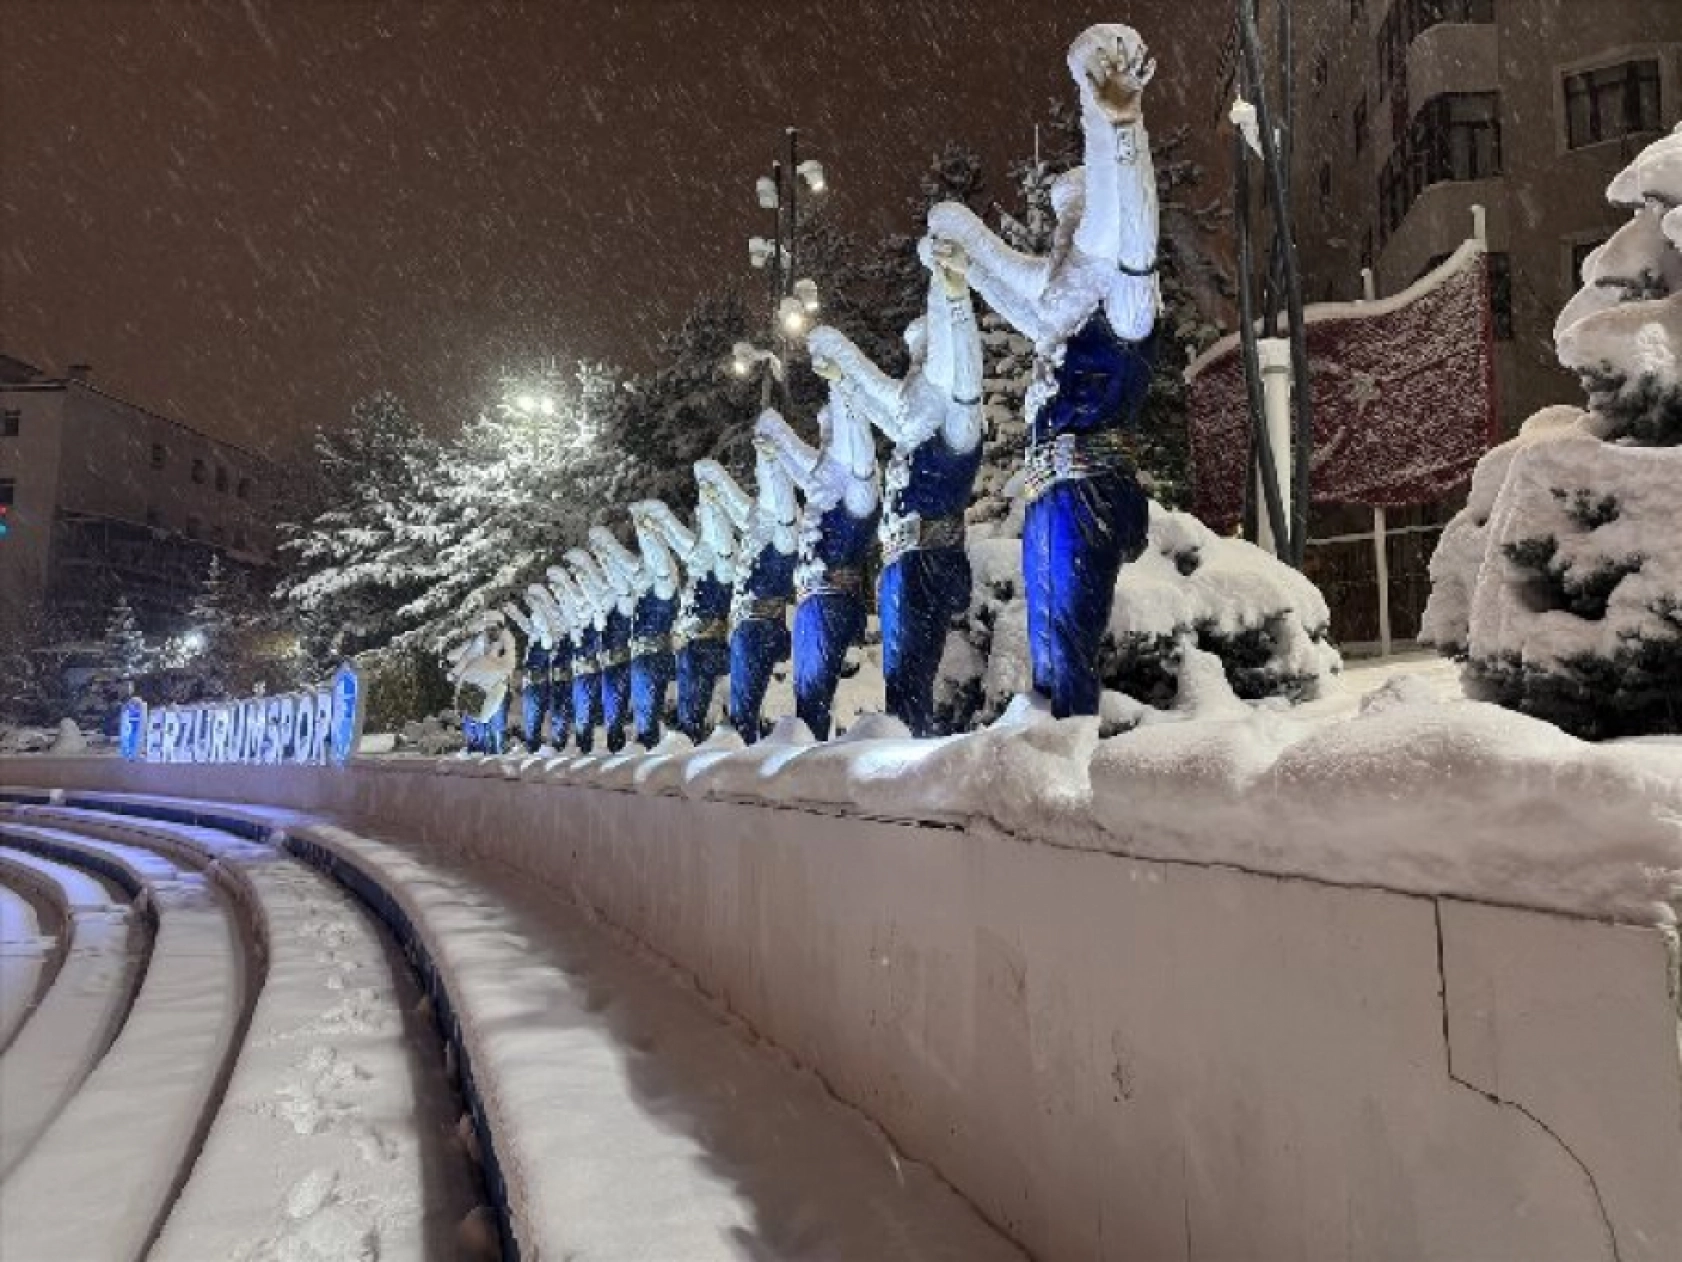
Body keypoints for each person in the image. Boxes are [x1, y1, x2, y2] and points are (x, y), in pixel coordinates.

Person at [928, 23, 1159, 718]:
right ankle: (1056, 740)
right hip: (1054, 491)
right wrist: (963, 261)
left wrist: (1119, 124)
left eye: (1073, 222)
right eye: (1060, 225)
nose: (1062, 237)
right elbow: (1015, 291)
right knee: (1050, 639)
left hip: (1090, 488)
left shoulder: (1123, 302)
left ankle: (1072, 748)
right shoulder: (1064, 314)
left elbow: (1135, 227)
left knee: (1066, 639)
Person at [806, 236, 983, 736]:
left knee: (911, 676)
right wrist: (841, 379)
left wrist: (955, 299)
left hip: (930, 559)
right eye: (914, 359)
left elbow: (966, 378)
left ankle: (913, 752)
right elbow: (878, 400)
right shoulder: (912, 426)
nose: (915, 368)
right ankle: (906, 747)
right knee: (900, 678)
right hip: (899, 564)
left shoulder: (956, 420)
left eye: (924, 355)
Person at [755, 397, 880, 741]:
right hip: (812, 600)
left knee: (817, 695)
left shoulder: (855, 486)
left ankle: (818, 754)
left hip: (832, 599)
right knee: (807, 695)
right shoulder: (824, 488)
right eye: (822, 436)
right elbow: (806, 471)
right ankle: (810, 752)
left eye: (830, 437)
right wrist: (776, 449)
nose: (823, 448)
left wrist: (776, 430)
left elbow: (816, 468)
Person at [714, 420, 799, 743]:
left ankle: (749, 750)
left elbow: (784, 512)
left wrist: (773, 458)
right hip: (743, 625)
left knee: (747, 709)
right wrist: (715, 482)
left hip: (761, 624)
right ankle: (745, 749)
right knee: (742, 707)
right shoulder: (755, 519)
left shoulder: (783, 525)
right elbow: (735, 502)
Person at [637, 479, 737, 742]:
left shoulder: (722, 560)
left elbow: (685, 543)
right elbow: (683, 545)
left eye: (702, 522)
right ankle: (689, 743)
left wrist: (661, 518)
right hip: (688, 647)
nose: (698, 529)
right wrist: (656, 525)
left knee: (696, 712)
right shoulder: (698, 568)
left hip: (708, 646)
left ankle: (696, 741)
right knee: (687, 713)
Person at [584, 531, 636, 754]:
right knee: (610, 713)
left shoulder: (623, 601)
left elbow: (618, 587)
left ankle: (619, 749)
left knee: (616, 712)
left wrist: (606, 554)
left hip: (620, 663)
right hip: (608, 665)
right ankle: (614, 748)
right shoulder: (605, 608)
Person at [558, 559, 607, 754]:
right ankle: (583, 748)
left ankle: (589, 749)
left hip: (590, 671)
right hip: (580, 672)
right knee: (581, 715)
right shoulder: (579, 622)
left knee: (588, 714)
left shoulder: (596, 618)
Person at [527, 581, 574, 750]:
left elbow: (557, 632)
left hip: (561, 672)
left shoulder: (557, 613)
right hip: (549, 674)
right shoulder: (543, 618)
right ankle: (549, 744)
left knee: (559, 711)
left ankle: (559, 744)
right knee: (551, 711)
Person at [503, 600, 551, 751]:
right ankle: (534, 746)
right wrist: (512, 610)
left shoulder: (545, 639)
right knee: (531, 718)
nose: (534, 623)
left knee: (535, 717)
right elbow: (525, 624)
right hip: (531, 684)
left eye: (537, 620)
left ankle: (535, 747)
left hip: (537, 684)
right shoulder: (535, 636)